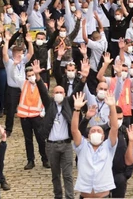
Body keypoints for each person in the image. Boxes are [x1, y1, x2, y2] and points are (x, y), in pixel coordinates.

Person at [37, 65, 77, 199]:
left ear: (65, 94)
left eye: (61, 92)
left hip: (66, 145)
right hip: (52, 145)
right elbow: (42, 91)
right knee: (55, 175)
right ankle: (58, 196)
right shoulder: (49, 104)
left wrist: (83, 78)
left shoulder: (68, 103)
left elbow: (79, 89)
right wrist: (37, 77)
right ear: (53, 94)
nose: (58, 94)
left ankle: (69, 197)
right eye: (56, 92)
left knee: (68, 174)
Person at [70, 90, 119, 198]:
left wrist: (112, 107)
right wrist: (77, 110)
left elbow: (114, 128)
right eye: (93, 131)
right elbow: (74, 131)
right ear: (88, 136)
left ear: (103, 136)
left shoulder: (108, 146)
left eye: (99, 131)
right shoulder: (82, 146)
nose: (96, 133)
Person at [17, 62, 49, 170]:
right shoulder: (23, 84)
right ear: (26, 76)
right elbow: (14, 75)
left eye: (33, 74)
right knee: (28, 139)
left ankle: (45, 159)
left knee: (41, 138)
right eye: (29, 75)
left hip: (37, 115)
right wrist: (17, 63)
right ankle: (30, 160)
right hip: (25, 116)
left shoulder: (43, 85)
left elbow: (45, 98)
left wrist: (43, 111)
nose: (31, 76)